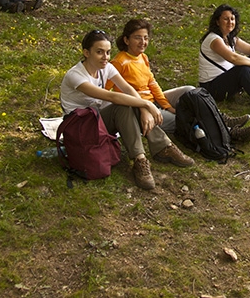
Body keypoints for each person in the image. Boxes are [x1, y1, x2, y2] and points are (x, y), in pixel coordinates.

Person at [61, 30, 195, 190]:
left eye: (108, 52)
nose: (105, 57)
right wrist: (147, 105)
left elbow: (128, 89)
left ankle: (160, 150)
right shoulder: (75, 75)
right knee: (122, 105)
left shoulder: (106, 67)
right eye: (99, 52)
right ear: (86, 53)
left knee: (129, 103)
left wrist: (143, 109)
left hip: (97, 120)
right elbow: (113, 97)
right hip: (80, 127)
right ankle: (142, 158)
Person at [113, 18, 250, 141]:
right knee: (183, 119)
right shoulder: (119, 63)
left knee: (191, 91)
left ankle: (220, 117)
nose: (143, 42)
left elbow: (152, 83)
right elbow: (109, 94)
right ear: (126, 40)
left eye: (145, 38)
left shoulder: (143, 57)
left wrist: (167, 106)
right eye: (137, 37)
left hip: (153, 101)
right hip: (138, 109)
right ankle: (230, 133)